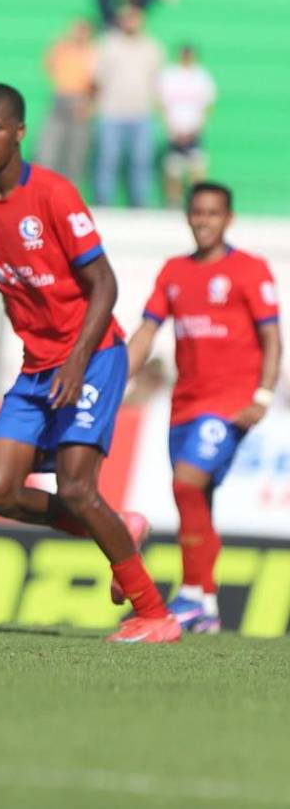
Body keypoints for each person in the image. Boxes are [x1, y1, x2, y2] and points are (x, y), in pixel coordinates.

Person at [0, 82, 179, 643]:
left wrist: (77, 361)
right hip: (37, 366)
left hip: (93, 356)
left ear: (19, 132)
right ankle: (117, 529)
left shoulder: (53, 194)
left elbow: (105, 283)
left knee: (77, 487)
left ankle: (155, 613)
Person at [126, 182, 280, 634]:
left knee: (187, 481)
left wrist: (263, 396)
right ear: (188, 216)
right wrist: (114, 383)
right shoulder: (174, 271)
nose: (204, 221)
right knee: (196, 499)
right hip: (185, 405)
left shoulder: (249, 270)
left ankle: (191, 594)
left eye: (213, 213)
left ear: (228, 218)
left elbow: (272, 337)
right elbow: (147, 331)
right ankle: (207, 607)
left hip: (229, 405)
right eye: (197, 212)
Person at [93, 5, 163, 209]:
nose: (131, 22)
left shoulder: (151, 47)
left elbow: (157, 82)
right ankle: (103, 202)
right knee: (108, 159)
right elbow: (97, 78)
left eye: (135, 18)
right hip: (111, 111)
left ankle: (140, 203)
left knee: (141, 161)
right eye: (127, 17)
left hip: (141, 112)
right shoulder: (108, 44)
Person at [36, 18, 96, 186]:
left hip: (81, 101)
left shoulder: (93, 52)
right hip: (60, 98)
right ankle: (43, 188)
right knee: (48, 148)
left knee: (75, 153)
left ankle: (69, 191)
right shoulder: (62, 48)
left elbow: (98, 82)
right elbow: (50, 66)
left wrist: (89, 104)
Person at [157, 43, 216, 209]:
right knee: (173, 169)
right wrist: (170, 127)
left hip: (193, 131)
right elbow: (161, 103)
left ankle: (198, 202)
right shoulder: (170, 75)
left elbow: (208, 105)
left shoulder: (201, 77)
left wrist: (198, 128)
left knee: (197, 167)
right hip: (175, 131)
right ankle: (173, 202)